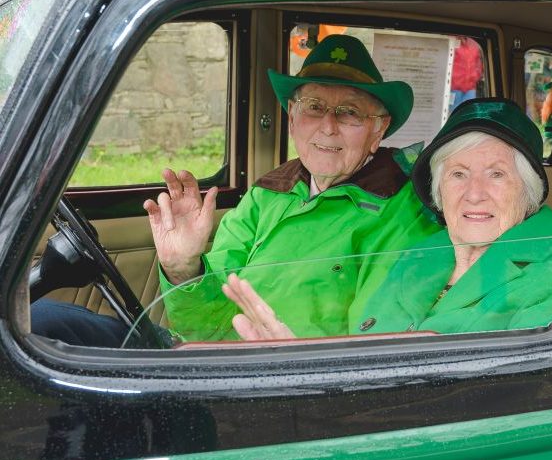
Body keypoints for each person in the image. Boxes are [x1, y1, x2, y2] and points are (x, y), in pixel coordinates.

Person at [34, 34, 439, 345]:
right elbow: (203, 326)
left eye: (349, 112)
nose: (328, 127)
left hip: (283, 383)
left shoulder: (403, 211)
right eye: (314, 107)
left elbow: (375, 348)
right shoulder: (271, 192)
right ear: (292, 119)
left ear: (378, 129)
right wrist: (183, 268)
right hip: (212, 359)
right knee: (40, 320)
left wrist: (288, 354)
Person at [227, 98, 552, 339]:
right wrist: (302, 362)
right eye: (458, 174)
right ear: (439, 192)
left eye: (496, 175)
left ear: (527, 192)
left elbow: (513, 402)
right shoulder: (422, 254)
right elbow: (366, 351)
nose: (474, 193)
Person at [449, 36, 483, 110]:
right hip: (454, 88)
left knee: (469, 112)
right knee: (454, 113)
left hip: (470, 88)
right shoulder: (451, 41)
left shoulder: (474, 43)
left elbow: (478, 62)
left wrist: (476, 75)